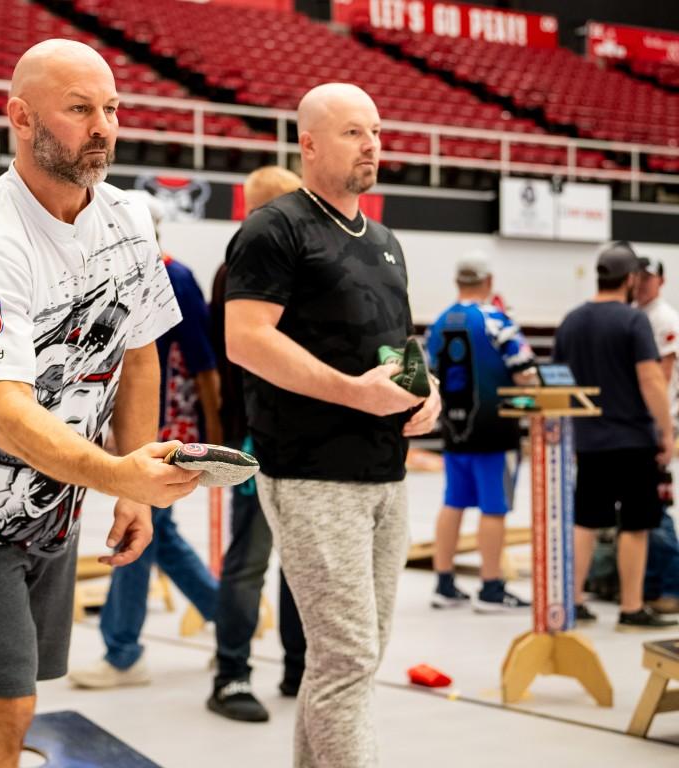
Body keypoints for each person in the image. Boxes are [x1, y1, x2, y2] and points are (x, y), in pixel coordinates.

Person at [0, 40, 200, 767]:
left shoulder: (127, 218)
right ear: (21, 119)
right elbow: (8, 413)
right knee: (10, 699)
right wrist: (119, 477)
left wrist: (133, 485)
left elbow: (142, 348)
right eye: (80, 109)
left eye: (112, 108)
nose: (104, 126)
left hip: (53, 490)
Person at [225, 83, 441, 766]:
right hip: (312, 473)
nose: (372, 144)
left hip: (385, 473)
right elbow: (246, 340)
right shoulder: (275, 227)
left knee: (349, 658)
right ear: (309, 143)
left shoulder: (383, 240)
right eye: (353, 132)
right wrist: (352, 394)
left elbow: (397, 345)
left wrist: (423, 387)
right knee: (347, 657)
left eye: (375, 130)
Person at [68, 195, 220, 690]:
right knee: (160, 536)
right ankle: (230, 617)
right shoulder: (120, 275)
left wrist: (212, 431)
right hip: (139, 428)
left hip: (166, 430)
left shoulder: (174, 278)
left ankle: (123, 649)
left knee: (138, 527)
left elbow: (202, 364)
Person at [207, 165, 306, 724]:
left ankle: (298, 665)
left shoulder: (295, 266)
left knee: (298, 561)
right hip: (256, 436)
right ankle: (231, 673)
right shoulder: (242, 267)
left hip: (299, 440)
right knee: (250, 560)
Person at [555, 241, 678, 632]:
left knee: (585, 522)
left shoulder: (571, 320)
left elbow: (559, 383)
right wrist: (667, 432)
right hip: (633, 441)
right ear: (629, 279)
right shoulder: (632, 321)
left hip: (589, 442)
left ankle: (574, 602)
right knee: (636, 526)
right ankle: (631, 607)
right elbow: (651, 380)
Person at [426, 255, 537, 612]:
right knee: (494, 507)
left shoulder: (438, 324)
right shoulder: (497, 320)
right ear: (488, 281)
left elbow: (427, 372)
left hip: (454, 431)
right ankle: (491, 587)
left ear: (458, 282)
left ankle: (444, 583)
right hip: (496, 431)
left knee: (453, 501)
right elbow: (524, 371)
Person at [634, 255, 679, 615]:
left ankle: (671, 589)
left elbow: (662, 376)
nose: (643, 283)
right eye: (638, 276)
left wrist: (663, 428)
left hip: (658, 424)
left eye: (649, 278)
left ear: (660, 282)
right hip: (640, 425)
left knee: (658, 513)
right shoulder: (636, 315)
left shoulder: (664, 318)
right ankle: (649, 585)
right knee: (644, 511)